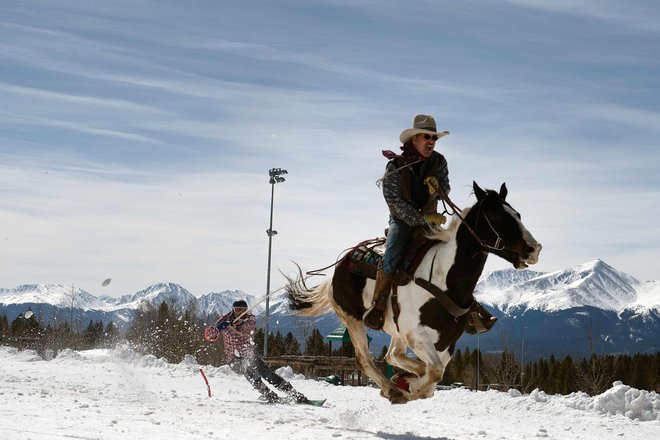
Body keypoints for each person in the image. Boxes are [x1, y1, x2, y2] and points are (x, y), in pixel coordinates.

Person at [363, 114, 451, 330]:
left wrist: (438, 188)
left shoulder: (439, 161)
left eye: (434, 137)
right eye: (426, 136)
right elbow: (393, 200)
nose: (431, 141)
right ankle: (378, 304)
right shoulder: (395, 166)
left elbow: (446, 189)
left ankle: (463, 305)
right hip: (402, 221)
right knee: (392, 254)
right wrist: (421, 218)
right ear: (414, 139)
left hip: (430, 219)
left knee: (451, 253)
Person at [212, 299, 310, 403]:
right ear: (233, 310)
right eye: (238, 309)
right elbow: (209, 335)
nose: (241, 312)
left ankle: (294, 394)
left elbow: (247, 328)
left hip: (249, 355)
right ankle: (268, 394)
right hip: (233, 359)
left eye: (243, 310)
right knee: (248, 371)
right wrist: (217, 328)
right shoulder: (223, 319)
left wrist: (237, 323)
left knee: (268, 374)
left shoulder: (250, 318)